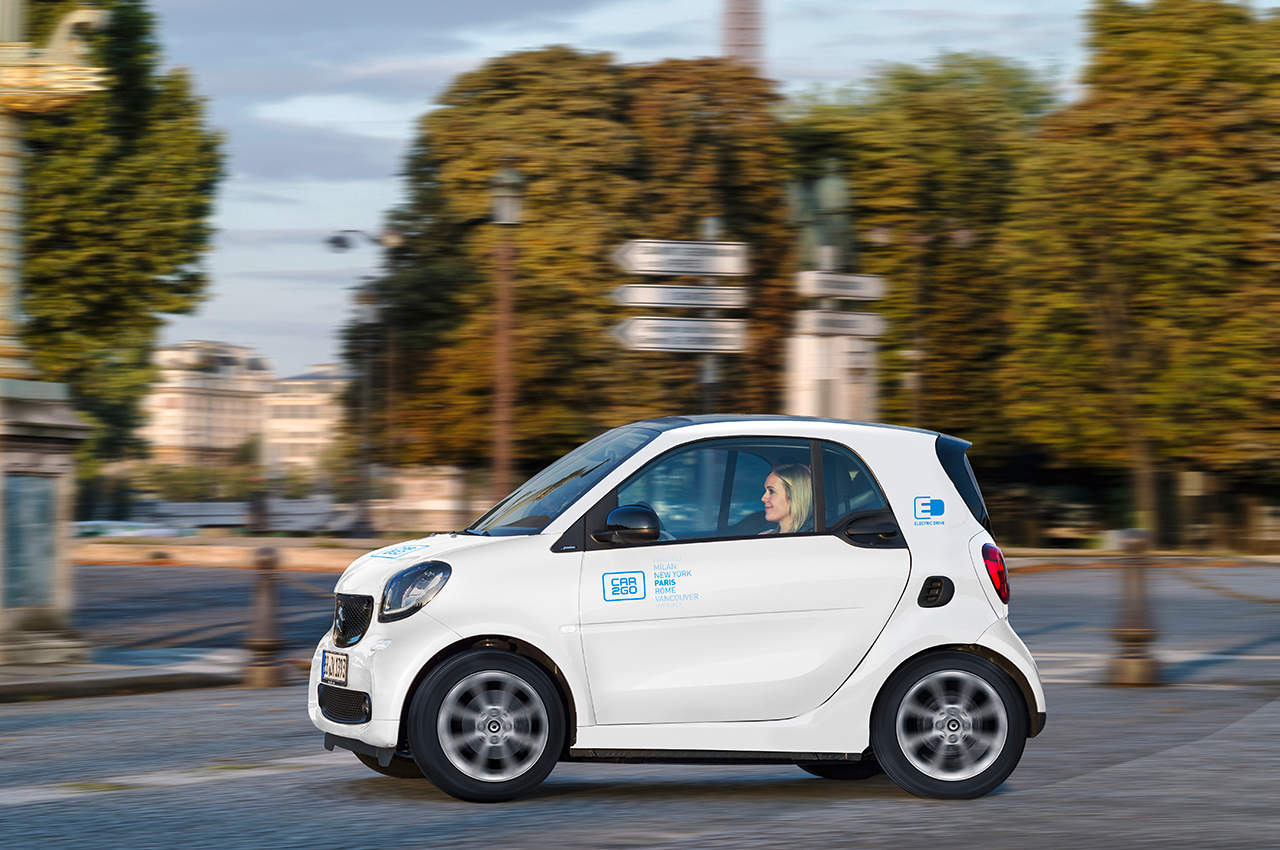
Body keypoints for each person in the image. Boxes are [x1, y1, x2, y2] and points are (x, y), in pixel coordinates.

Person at [760, 464, 813, 534]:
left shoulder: (811, 540)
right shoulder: (765, 535)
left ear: (794, 495)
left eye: (771, 491)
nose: (763, 498)